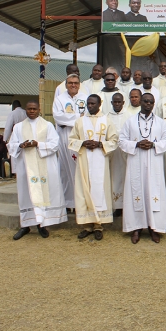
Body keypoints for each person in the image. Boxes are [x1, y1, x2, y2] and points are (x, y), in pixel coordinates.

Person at [9, 100, 68, 240]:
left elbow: (55, 144)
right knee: (26, 195)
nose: (31, 111)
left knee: (42, 194)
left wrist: (38, 144)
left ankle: (41, 225)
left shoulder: (47, 125)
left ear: (39, 109)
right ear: (26, 110)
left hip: (44, 166)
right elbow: (11, 145)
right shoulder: (18, 127)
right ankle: (25, 225)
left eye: (34, 109)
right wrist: (20, 145)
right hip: (26, 167)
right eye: (29, 109)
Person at [119, 93, 166, 244]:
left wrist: (154, 145)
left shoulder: (161, 123)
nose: (148, 104)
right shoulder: (130, 122)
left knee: (153, 192)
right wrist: (136, 144)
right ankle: (136, 228)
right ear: (140, 102)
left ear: (154, 104)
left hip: (154, 163)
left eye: (151, 102)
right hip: (136, 162)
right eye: (146, 101)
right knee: (136, 192)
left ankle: (153, 227)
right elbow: (121, 141)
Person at [68, 95, 118, 241]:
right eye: (88, 104)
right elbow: (71, 139)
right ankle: (86, 225)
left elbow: (114, 140)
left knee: (98, 191)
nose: (90, 106)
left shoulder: (106, 121)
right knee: (84, 190)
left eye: (93, 103)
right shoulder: (80, 121)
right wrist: (83, 143)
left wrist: (100, 144)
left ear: (99, 104)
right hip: (84, 161)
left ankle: (98, 225)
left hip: (100, 160)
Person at [52, 74, 88, 209]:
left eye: (76, 83)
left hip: (81, 137)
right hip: (65, 138)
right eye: (71, 83)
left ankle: (81, 202)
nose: (73, 85)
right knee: (66, 170)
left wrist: (70, 118)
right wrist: (79, 117)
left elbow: (89, 116)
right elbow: (58, 117)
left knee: (80, 169)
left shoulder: (85, 98)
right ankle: (68, 203)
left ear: (79, 84)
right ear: (66, 85)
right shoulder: (59, 100)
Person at [106, 93, 128, 217]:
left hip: (125, 152)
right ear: (112, 103)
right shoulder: (107, 117)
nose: (117, 104)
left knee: (126, 176)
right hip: (113, 152)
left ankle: (126, 205)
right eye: (115, 102)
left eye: (119, 102)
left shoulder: (129, 116)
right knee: (114, 177)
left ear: (123, 103)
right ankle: (116, 206)